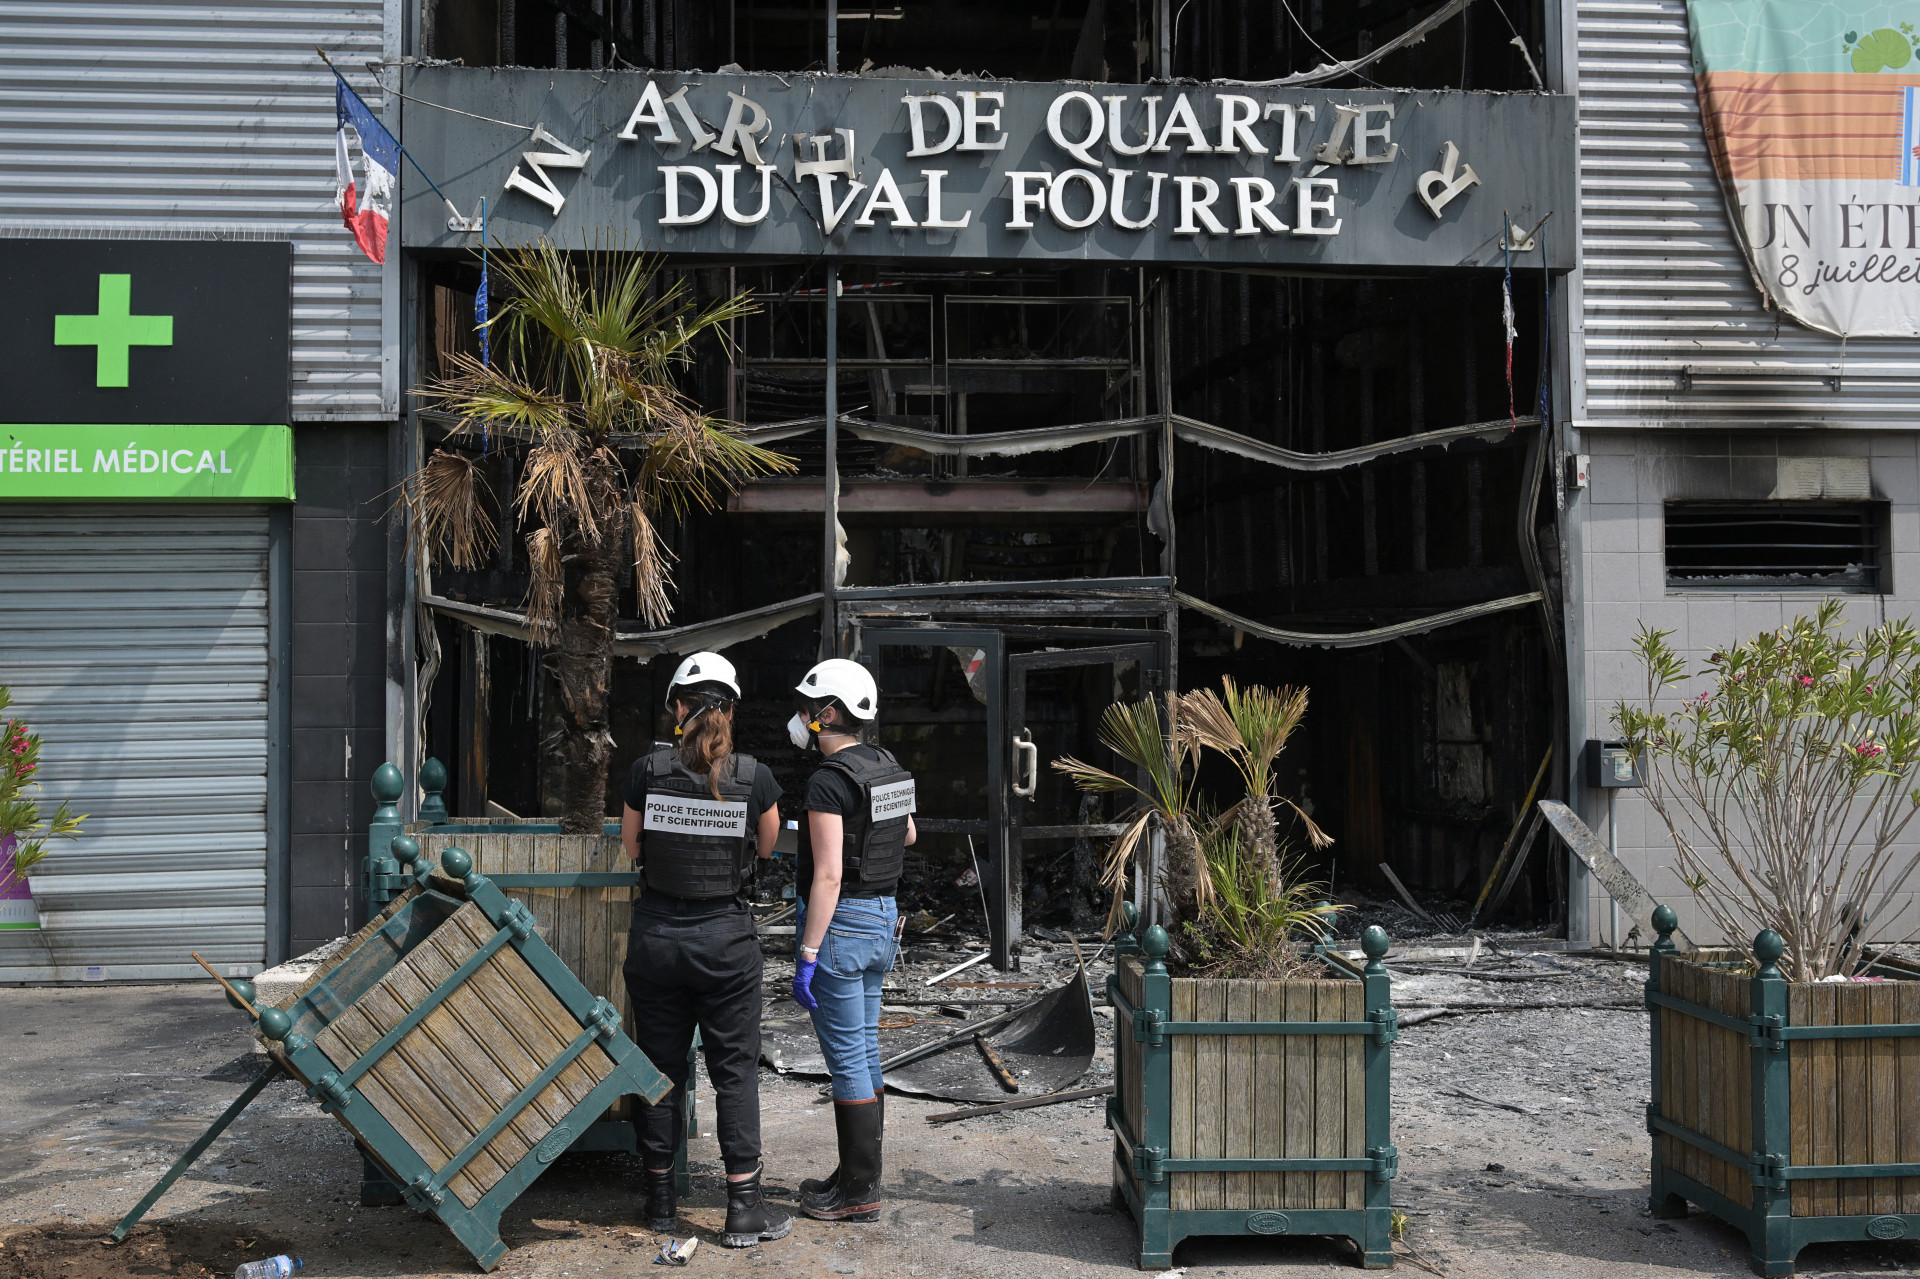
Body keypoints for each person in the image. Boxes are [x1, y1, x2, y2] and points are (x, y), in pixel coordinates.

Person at [620, 651, 791, 1248]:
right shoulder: (756, 777)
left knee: (662, 1071)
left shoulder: (646, 770)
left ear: (677, 707)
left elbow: (632, 849)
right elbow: (766, 848)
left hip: (658, 940)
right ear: (732, 710)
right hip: (725, 942)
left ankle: (661, 1201)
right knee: (735, 1075)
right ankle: (743, 1209)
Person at [786, 658, 916, 1222]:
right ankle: (856, 1176)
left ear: (829, 713)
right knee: (863, 1051)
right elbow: (908, 832)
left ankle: (859, 1192)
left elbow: (829, 874)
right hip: (883, 919)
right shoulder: (886, 765)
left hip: (842, 927)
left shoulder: (827, 781)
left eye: (807, 707)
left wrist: (808, 954)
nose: (801, 716)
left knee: (847, 1060)